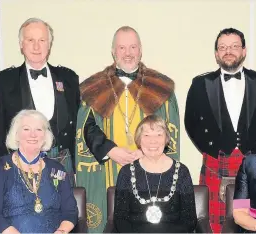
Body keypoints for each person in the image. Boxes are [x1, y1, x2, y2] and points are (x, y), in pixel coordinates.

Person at [75, 26, 180, 232]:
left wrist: (146, 151)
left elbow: (170, 128)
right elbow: (86, 127)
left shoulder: (160, 87)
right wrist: (110, 151)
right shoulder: (94, 87)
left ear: (140, 50)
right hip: (108, 168)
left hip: (149, 165)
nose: (128, 53)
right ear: (113, 51)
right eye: (122, 47)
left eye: (133, 47)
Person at [184, 27, 256, 233]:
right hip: (217, 161)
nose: (228, 51)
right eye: (222, 47)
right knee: (215, 223)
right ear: (216, 53)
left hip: (254, 160)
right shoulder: (200, 84)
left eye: (234, 46)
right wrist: (212, 149)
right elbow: (191, 122)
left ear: (244, 51)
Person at [0, 18, 80, 185]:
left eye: (42, 40)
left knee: (65, 210)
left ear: (49, 45)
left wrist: (75, 168)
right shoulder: (4, 80)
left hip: (62, 164)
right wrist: (3, 171)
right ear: (21, 45)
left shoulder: (69, 78)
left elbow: (78, 128)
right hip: (19, 165)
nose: (36, 46)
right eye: (30, 40)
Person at [0, 110, 78, 233]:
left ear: (45, 136)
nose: (33, 135)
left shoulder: (57, 169)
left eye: (39, 130)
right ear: (16, 134)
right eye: (26, 129)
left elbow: (70, 212)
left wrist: (61, 232)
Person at [112, 115, 196, 233]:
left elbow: (189, 221)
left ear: (166, 139)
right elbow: (120, 220)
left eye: (159, 134)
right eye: (146, 135)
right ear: (138, 140)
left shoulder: (182, 172)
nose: (153, 141)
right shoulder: (126, 172)